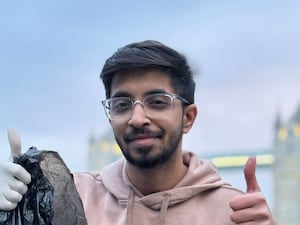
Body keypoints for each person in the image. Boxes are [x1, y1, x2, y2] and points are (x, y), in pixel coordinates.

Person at [0, 40, 277, 225]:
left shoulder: (236, 212)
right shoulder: (72, 196)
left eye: (157, 102)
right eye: (122, 105)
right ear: (111, 119)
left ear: (188, 118)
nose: (137, 118)